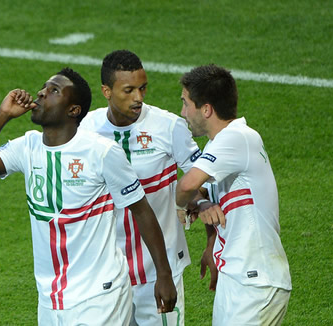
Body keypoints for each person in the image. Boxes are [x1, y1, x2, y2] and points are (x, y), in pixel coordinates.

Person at [0, 67, 177, 325]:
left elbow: (141, 209)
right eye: (44, 88)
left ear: (73, 110)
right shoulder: (28, 147)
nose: (41, 93)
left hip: (100, 295)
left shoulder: (101, 152)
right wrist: (2, 114)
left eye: (54, 91)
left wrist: (164, 275)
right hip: (50, 299)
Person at [79, 50, 222, 326]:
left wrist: (210, 238)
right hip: (106, 273)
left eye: (143, 88)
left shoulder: (169, 128)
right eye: (128, 90)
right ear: (106, 91)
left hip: (159, 270)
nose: (139, 98)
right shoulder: (86, 129)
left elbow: (205, 185)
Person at [176, 64, 292, 325]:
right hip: (236, 276)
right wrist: (205, 215)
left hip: (256, 282)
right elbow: (201, 192)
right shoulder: (220, 144)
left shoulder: (237, 138)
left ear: (206, 109)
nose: (183, 112)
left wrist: (180, 206)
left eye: (186, 104)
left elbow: (185, 186)